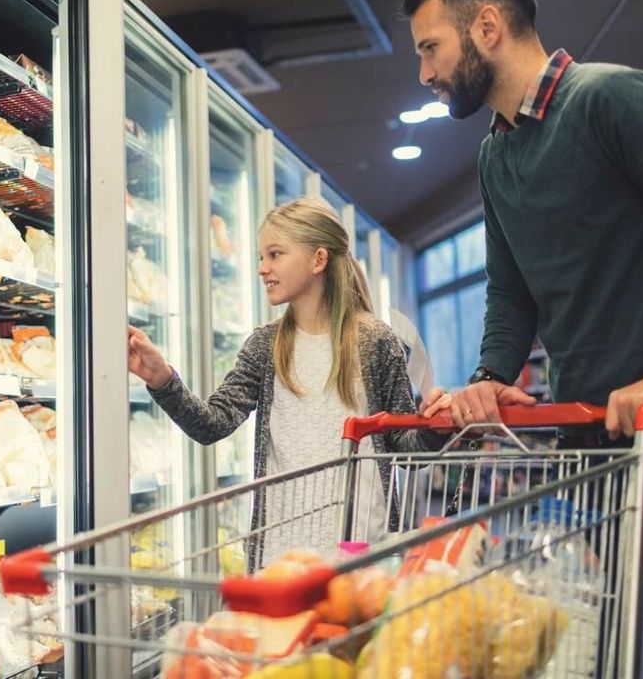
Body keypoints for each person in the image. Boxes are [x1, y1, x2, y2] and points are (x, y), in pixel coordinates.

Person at [401, 0, 643, 679]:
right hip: (592, 444)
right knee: (588, 653)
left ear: (485, 28)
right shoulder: (495, 156)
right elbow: (512, 291)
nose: (425, 73)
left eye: (430, 48)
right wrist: (488, 377)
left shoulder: (610, 99)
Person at [128, 197, 448, 565]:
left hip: (362, 547)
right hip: (281, 554)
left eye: (275, 254)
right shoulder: (265, 346)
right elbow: (211, 424)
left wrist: (433, 425)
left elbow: (403, 446)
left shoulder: (375, 341)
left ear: (318, 259)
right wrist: (162, 379)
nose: (262, 269)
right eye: (260, 258)